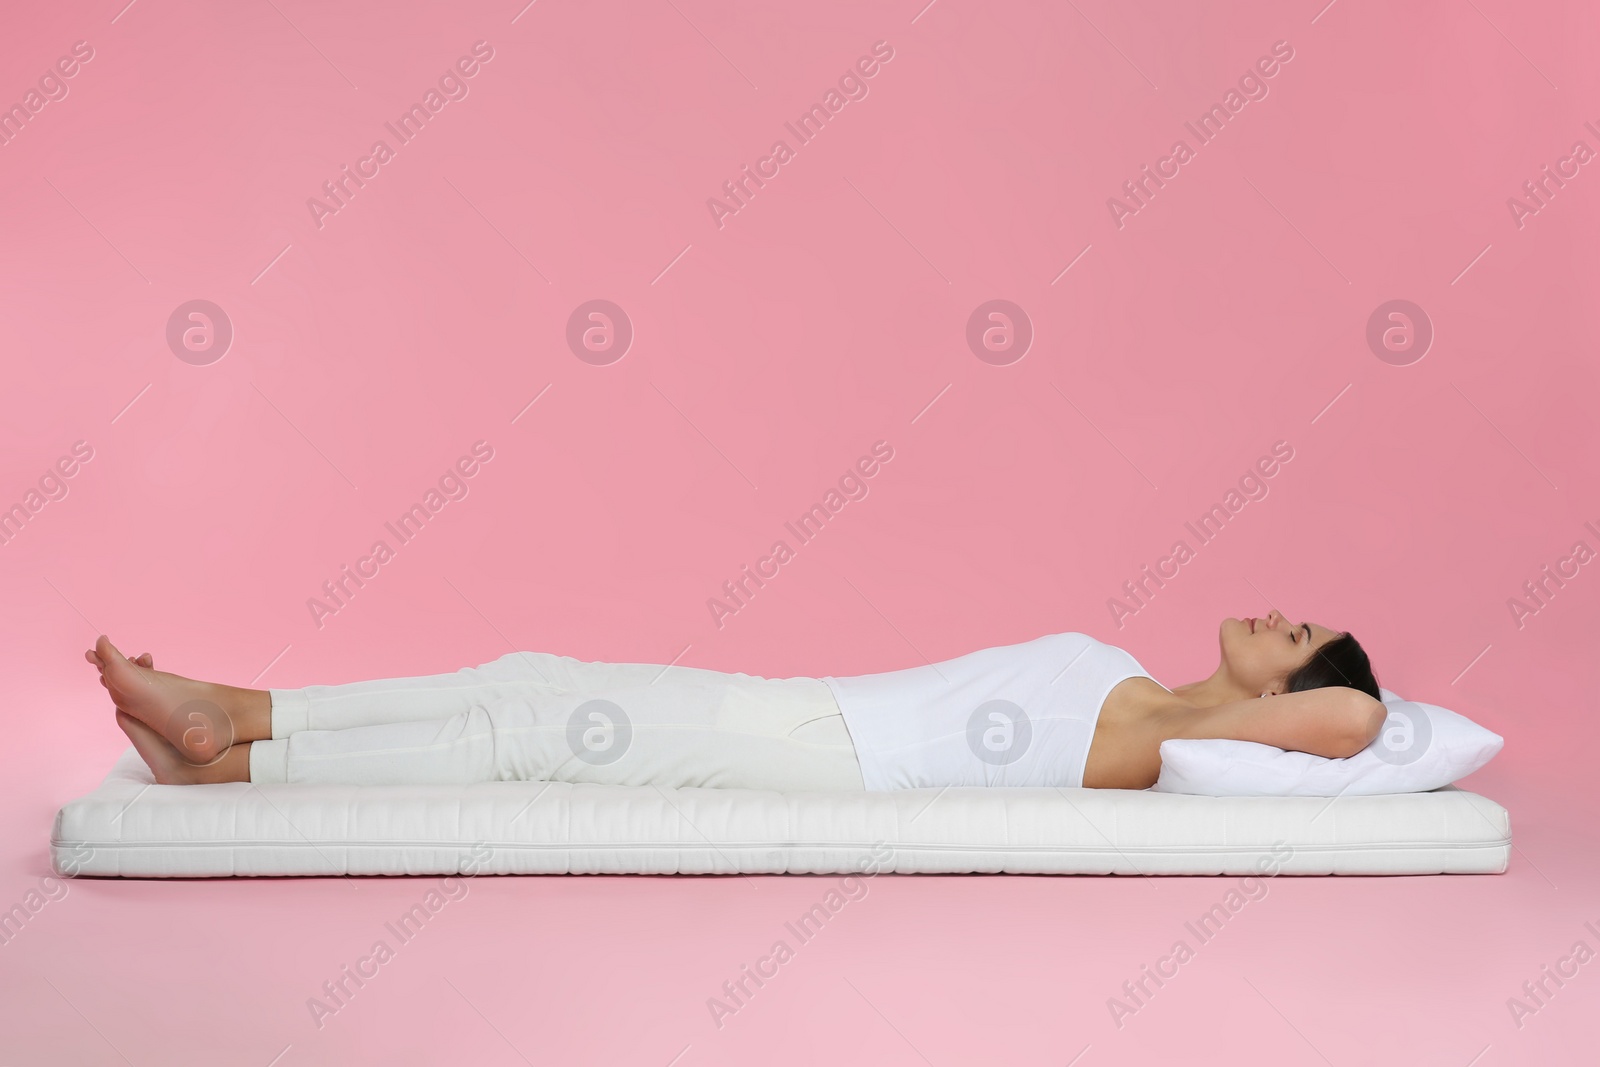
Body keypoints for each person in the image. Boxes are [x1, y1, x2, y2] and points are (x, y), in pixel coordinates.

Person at [87, 610, 1384, 793]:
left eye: (1297, 637)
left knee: (535, 737)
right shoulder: (1145, 688)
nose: (1275, 614)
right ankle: (243, 718)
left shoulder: (1168, 735)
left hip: (832, 760)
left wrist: (1340, 702)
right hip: (809, 708)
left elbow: (1359, 727)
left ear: (1285, 690)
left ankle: (236, 754)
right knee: (531, 685)